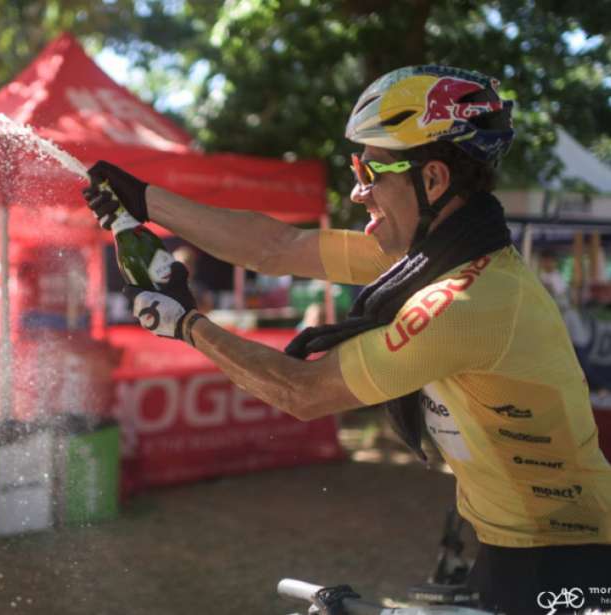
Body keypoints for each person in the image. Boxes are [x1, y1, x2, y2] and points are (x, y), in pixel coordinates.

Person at [84, 65, 611, 614]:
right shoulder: (433, 256)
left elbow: (304, 392)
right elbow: (276, 247)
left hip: (567, 560)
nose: (358, 191)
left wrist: (187, 324)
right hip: (512, 548)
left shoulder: (463, 300)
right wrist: (145, 200)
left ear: (432, 181)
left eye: (372, 168)